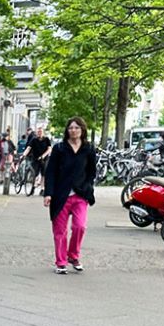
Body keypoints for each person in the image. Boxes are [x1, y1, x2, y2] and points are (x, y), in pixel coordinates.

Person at [44, 116, 97, 274]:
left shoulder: (88, 149)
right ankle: (61, 262)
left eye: (76, 128)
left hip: (80, 195)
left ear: (82, 130)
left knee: (80, 226)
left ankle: (73, 255)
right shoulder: (60, 149)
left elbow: (92, 172)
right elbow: (51, 172)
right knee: (60, 231)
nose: (73, 130)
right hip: (61, 195)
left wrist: (87, 187)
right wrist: (48, 194)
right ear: (67, 131)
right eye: (71, 128)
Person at [25, 124, 53, 189]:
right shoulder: (34, 140)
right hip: (35, 158)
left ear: (43, 132)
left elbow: (49, 149)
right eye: (38, 132)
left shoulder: (46, 139)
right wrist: (24, 155)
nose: (39, 133)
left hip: (44, 159)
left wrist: (43, 156)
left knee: (44, 173)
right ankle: (34, 186)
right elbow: (28, 148)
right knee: (35, 172)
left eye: (41, 132)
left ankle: (42, 188)